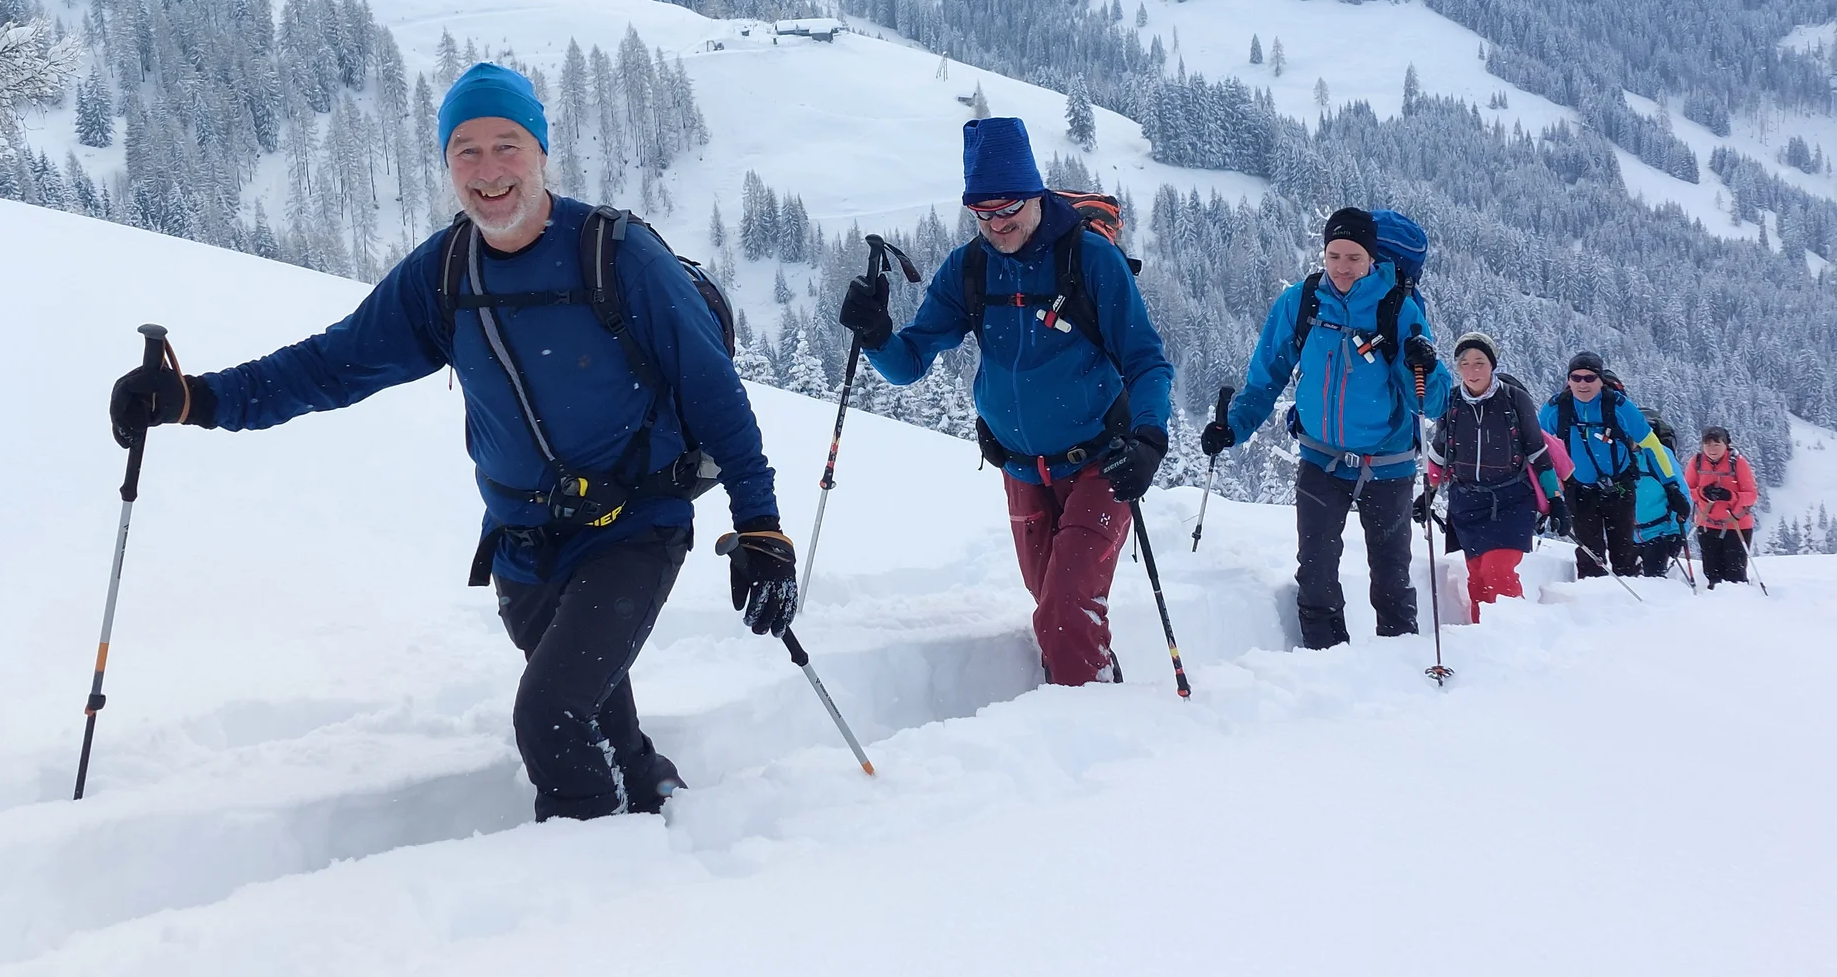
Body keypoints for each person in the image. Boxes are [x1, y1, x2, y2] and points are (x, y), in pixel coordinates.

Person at [107, 63, 793, 823]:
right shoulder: (444, 275)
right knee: (597, 719)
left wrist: (761, 525)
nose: (489, 171)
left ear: (541, 153)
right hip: (523, 548)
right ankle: (658, 811)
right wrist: (196, 399)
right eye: (466, 151)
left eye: (507, 146)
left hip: (633, 530)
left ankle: (592, 870)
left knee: (551, 716)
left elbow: (714, 393)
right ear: (446, 164)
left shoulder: (619, 258)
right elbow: (333, 364)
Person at [837, 116, 1173, 685]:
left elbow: (1147, 362)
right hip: (1021, 469)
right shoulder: (969, 269)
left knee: (1066, 613)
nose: (997, 224)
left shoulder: (1091, 261)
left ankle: (1087, 724)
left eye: (1009, 207)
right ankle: (1101, 697)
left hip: (1102, 463)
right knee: (1055, 609)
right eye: (982, 212)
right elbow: (909, 364)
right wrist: (876, 335)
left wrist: (1148, 439)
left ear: (1035, 193)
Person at [1201, 208, 1450, 649]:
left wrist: (1425, 367)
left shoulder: (1397, 309)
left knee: (1391, 578)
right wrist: (1233, 428)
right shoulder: (1302, 302)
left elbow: (1430, 403)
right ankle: (1325, 663)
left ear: (1371, 259)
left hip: (1387, 464)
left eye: (1354, 257)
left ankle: (1400, 664)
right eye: (1334, 255)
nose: (1342, 267)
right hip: (1321, 460)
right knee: (1315, 574)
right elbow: (1265, 380)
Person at [1425, 333, 1562, 621]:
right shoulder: (1452, 402)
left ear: (1492, 365)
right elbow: (1439, 453)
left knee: (1497, 572)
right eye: (1464, 363)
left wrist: (1556, 498)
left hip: (1512, 501)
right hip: (1467, 504)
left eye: (1479, 362)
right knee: (1477, 577)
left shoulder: (1514, 399)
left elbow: (1538, 453)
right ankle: (1483, 637)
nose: (1472, 370)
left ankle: (1515, 631)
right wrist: (1428, 493)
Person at [1545, 354, 1680, 580]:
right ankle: (1592, 595)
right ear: (1568, 380)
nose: (1582, 383)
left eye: (1590, 378)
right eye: (1576, 377)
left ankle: (1627, 595)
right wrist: (1548, 495)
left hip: (1619, 488)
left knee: (1625, 552)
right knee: (1589, 555)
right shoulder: (1556, 409)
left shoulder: (1618, 406)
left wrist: (1671, 485)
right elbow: (1540, 452)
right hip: (1579, 490)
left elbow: (1652, 445)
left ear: (1600, 380)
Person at [1687, 425, 1759, 587]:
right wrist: (1703, 493)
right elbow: (1686, 491)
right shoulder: (1696, 462)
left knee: (1735, 577)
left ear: (1726, 445)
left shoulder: (1737, 462)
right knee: (1711, 575)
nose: (1711, 449)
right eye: (1707, 444)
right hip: (1707, 525)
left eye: (1716, 444)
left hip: (1736, 525)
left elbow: (1752, 495)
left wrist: (1731, 496)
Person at [1631, 409, 1691, 579]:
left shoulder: (1661, 455)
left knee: (1654, 584)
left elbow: (1680, 495)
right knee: (1628, 585)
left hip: (1660, 534)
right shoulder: (1621, 457)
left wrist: (1677, 533)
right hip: (1629, 535)